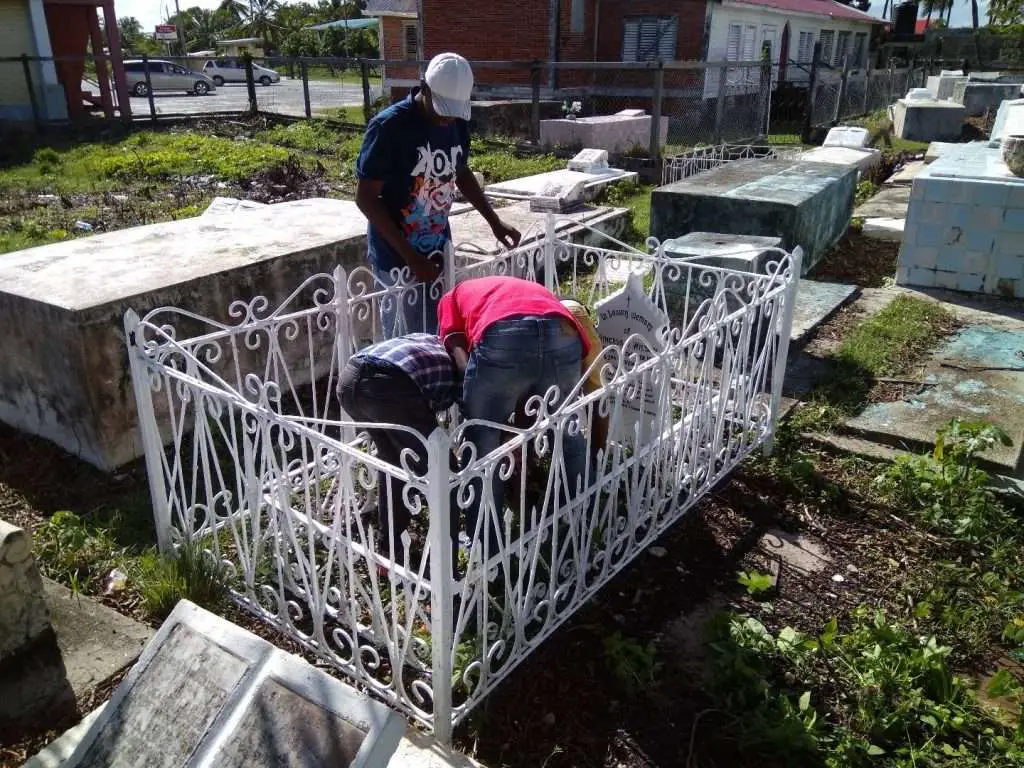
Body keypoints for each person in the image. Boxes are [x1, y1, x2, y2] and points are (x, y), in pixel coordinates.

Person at [355, 52, 522, 338]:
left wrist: (494, 221)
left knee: (437, 333)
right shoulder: (390, 127)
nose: (447, 118)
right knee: (403, 342)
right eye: (442, 109)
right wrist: (410, 258)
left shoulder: (455, 122)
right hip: (397, 259)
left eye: (454, 111)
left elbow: (461, 171)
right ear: (424, 87)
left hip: (437, 249)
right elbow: (366, 198)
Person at [438, 277, 594, 549]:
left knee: (483, 445)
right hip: (562, 329)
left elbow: (456, 347)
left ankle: (484, 541)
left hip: (504, 334)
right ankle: (581, 515)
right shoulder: (508, 286)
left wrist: (474, 394)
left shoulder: (450, 299)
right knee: (566, 427)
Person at [338, 333, 460, 564]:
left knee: (393, 461)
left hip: (349, 378)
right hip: (387, 385)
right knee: (445, 471)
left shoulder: (427, 340)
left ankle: (391, 550)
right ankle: (443, 568)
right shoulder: (461, 371)